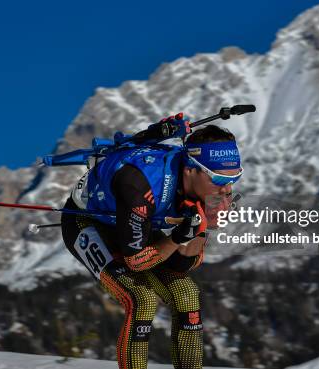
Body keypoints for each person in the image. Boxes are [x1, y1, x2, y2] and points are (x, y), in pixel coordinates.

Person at [61, 123, 243, 369]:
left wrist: (201, 229)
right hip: (87, 221)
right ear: (191, 170)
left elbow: (181, 265)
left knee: (186, 294)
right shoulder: (141, 184)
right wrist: (179, 237)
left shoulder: (204, 189)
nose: (226, 189)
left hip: (134, 222)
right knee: (142, 300)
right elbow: (136, 260)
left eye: (234, 178)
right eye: (219, 178)